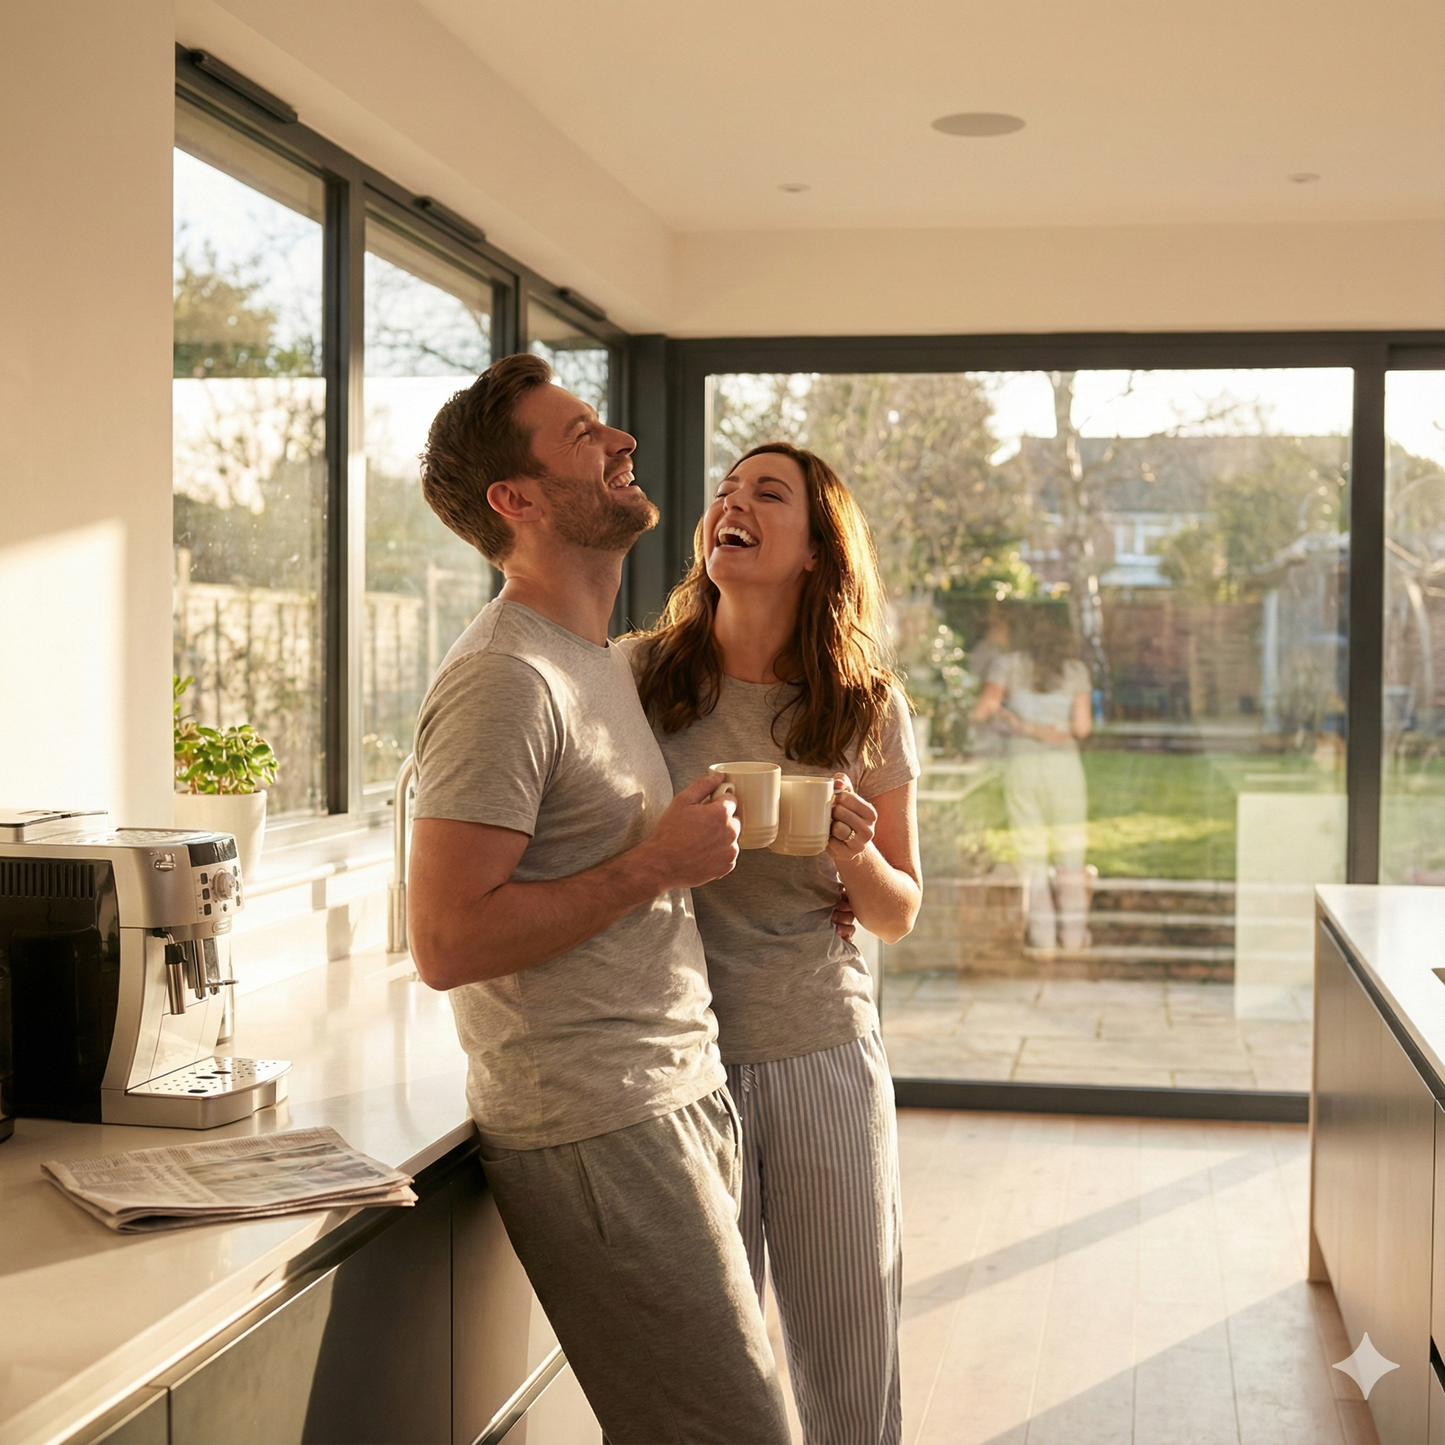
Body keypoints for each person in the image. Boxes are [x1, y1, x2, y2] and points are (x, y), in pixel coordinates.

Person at [406, 353, 791, 1445]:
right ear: (515, 500)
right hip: (595, 1120)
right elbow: (443, 938)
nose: (619, 438)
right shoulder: (503, 678)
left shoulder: (595, 662)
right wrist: (653, 864)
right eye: (581, 435)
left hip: (671, 1089)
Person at [624, 442, 922, 1445]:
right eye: (723, 490)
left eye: (765, 493)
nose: (729, 504)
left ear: (812, 549)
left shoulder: (864, 705)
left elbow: (896, 910)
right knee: (703, 1376)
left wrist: (855, 857)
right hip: (668, 1060)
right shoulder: (636, 677)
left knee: (848, 1358)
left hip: (815, 1046)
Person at [971, 603, 1093, 949]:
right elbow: (1083, 727)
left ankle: (1042, 939)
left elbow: (983, 710)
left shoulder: (1006, 666)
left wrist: (1019, 724)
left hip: (1022, 765)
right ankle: (1073, 938)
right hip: (1065, 768)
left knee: (1031, 854)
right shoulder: (1076, 670)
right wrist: (1054, 730)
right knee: (1071, 856)